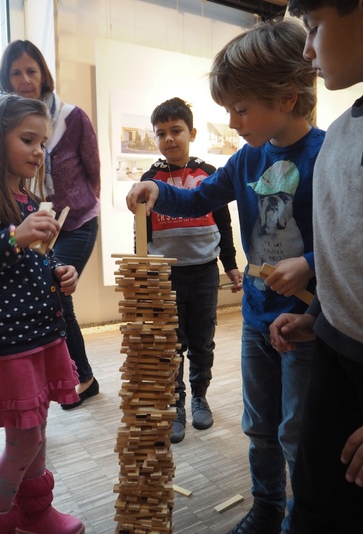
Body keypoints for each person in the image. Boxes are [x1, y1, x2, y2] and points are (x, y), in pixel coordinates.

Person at [126, 18, 325, 534]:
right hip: (258, 320)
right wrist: (158, 192)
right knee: (258, 427)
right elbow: (199, 198)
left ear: (286, 98)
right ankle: (266, 507)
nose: (232, 121)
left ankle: (299, 518)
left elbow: (349, 240)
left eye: (240, 108)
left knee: (296, 433)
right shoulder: (246, 159)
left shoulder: (326, 155)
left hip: (307, 324)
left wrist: (310, 263)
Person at [0, 95, 85, 533]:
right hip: (10, 342)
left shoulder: (30, 201)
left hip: (43, 334)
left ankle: (36, 513)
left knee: (38, 431)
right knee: (24, 440)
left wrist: (60, 271)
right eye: (28, 139)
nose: (38, 151)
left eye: (43, 143)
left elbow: (37, 259)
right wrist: (15, 237)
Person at [268, 2, 363, 533]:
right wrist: (320, 316)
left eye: (316, 27)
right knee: (314, 502)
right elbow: (346, 250)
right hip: (334, 349)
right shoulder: (345, 132)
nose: (308, 50)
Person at [0, 40, 100, 409]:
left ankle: (81, 378)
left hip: (77, 221)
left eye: (31, 70)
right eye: (16, 72)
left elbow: (94, 170)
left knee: (57, 291)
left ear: (43, 74)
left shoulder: (72, 117)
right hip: (33, 219)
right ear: (6, 79)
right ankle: (64, 377)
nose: (24, 79)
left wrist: (82, 203)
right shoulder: (4, 124)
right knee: (46, 293)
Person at [139, 97, 241, 443]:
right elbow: (142, 231)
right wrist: (143, 272)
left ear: (192, 133)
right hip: (165, 277)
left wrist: (231, 265)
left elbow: (224, 223)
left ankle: (199, 397)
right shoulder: (150, 178)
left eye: (176, 130)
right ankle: (176, 404)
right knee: (170, 344)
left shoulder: (208, 174)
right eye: (161, 133)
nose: (169, 138)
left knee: (201, 342)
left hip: (204, 273)